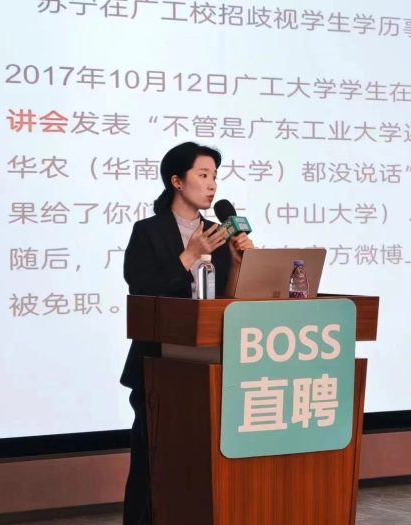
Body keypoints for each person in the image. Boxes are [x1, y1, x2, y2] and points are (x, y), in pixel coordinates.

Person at [121, 142, 254, 524]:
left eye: (215, 177)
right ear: (177, 181)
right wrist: (189, 255)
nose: (212, 185)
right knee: (152, 459)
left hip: (211, 364)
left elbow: (227, 300)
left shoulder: (218, 233)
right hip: (158, 364)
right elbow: (141, 288)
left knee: (201, 463)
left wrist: (238, 263)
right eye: (203, 175)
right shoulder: (148, 231)